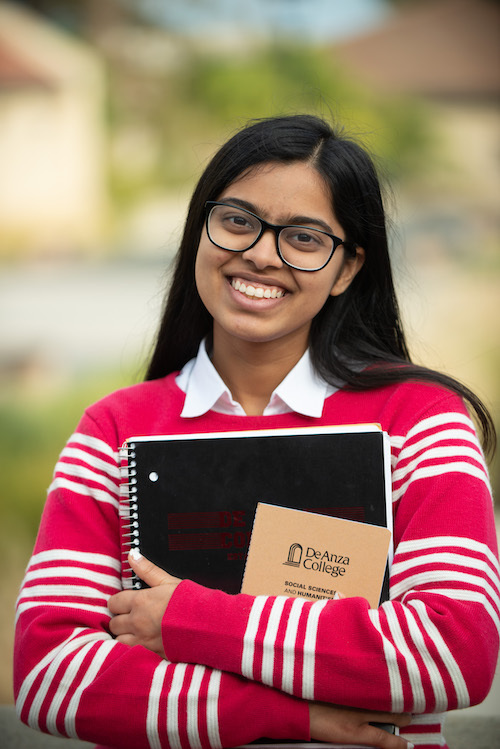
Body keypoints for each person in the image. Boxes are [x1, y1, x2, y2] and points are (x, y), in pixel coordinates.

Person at [14, 114, 499, 749]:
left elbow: (451, 653)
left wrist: (188, 620)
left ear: (348, 268)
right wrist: (294, 715)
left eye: (304, 237)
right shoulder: (114, 430)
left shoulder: (419, 419)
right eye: (238, 221)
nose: (261, 254)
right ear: (201, 233)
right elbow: (51, 675)